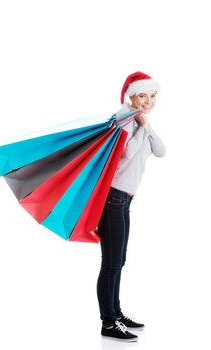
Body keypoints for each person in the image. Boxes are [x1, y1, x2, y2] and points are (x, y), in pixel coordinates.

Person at [96, 71, 166, 342]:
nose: (148, 101)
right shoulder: (122, 119)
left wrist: (146, 125)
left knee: (119, 261)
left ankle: (116, 314)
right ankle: (108, 323)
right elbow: (123, 157)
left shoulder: (138, 119)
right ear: (131, 96)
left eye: (153, 96)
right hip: (112, 198)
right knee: (111, 264)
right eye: (143, 96)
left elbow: (160, 151)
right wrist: (142, 126)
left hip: (124, 201)